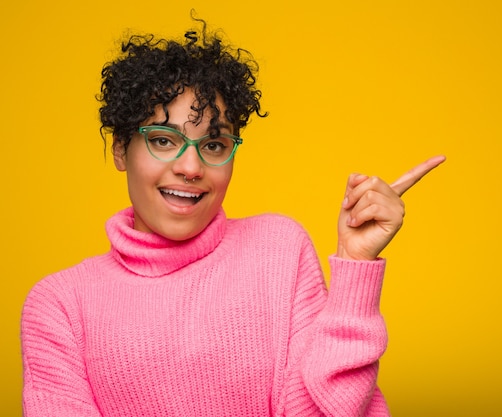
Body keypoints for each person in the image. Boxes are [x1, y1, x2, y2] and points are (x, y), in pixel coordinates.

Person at [21, 17, 445, 417]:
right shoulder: (59, 306)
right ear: (120, 149)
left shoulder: (279, 250)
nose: (191, 167)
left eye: (215, 145)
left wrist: (356, 266)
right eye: (164, 140)